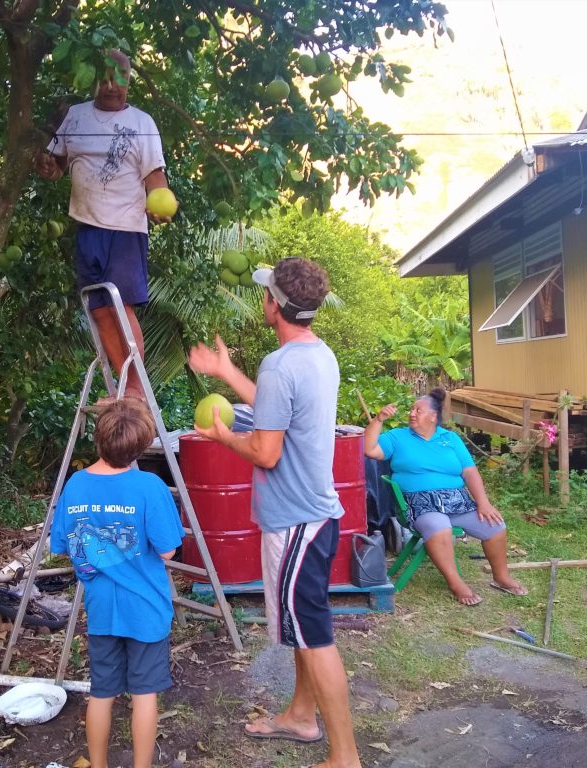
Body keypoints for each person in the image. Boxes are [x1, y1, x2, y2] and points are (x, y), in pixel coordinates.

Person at [188, 257, 361, 768]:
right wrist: (225, 372)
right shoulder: (316, 355)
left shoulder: (281, 363)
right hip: (318, 514)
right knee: (306, 628)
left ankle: (345, 756)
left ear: (275, 305)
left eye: (266, 293)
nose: (261, 298)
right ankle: (302, 716)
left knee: (314, 635)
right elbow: (273, 408)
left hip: (295, 524)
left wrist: (223, 436)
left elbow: (266, 451)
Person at [49, 398, 184, 768]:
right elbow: (169, 551)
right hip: (147, 610)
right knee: (144, 695)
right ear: (142, 445)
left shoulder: (75, 486)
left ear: (98, 439)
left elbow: (61, 546)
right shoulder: (149, 487)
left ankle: (98, 765)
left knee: (102, 692)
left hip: (102, 610)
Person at [36, 49, 173, 401]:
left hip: (125, 229)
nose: (112, 86)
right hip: (87, 228)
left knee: (120, 306)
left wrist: (161, 205)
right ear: (94, 78)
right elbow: (56, 164)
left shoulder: (143, 123)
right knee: (98, 309)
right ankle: (124, 383)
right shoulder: (75, 116)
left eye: (121, 77)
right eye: (105, 78)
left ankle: (136, 391)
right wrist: (49, 167)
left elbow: (155, 178)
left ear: (129, 80)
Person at [363, 389, 528, 606]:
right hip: (418, 503)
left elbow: (469, 471)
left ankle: (501, 577)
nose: (412, 413)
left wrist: (483, 502)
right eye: (411, 409)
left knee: (494, 525)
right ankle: (456, 583)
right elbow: (370, 450)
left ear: (433, 416)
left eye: (418, 410)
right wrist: (379, 419)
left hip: (456, 501)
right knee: (439, 525)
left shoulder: (450, 438)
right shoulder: (398, 437)